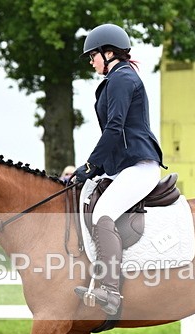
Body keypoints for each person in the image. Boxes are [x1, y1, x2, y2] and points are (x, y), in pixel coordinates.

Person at [72, 23, 164, 316]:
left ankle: (110, 290)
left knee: (103, 214)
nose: (90, 61)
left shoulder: (122, 78)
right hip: (124, 166)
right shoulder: (117, 78)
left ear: (108, 52)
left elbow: (115, 128)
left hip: (140, 165)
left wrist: (91, 163)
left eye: (92, 56)